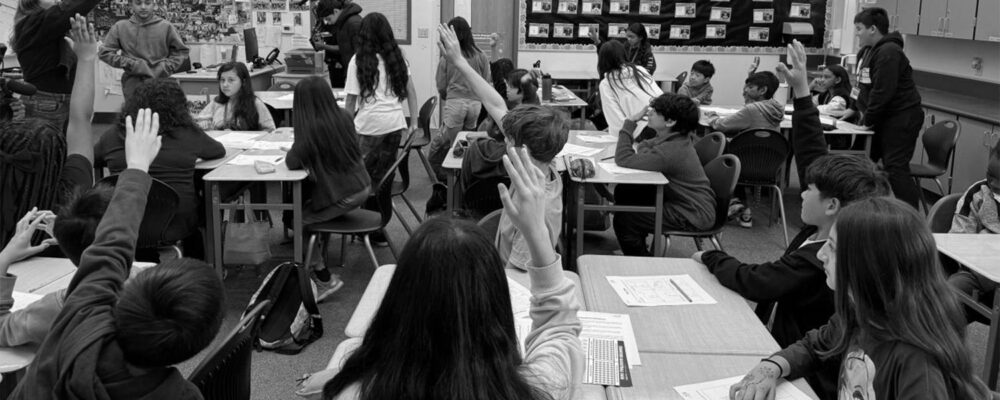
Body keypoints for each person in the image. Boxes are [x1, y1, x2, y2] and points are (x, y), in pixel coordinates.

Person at [322, 146, 582, 400]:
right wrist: (536, 230)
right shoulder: (541, 387)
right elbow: (559, 329)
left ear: (399, 300)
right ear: (495, 305)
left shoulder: (353, 391)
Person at [11, 108, 227, 400]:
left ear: (126, 293)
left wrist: (137, 165)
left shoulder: (83, 312)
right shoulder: (183, 395)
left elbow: (113, 241)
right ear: (198, 345)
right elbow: (111, 246)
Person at [728, 198, 991, 400]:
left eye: (831, 247)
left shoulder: (916, 360)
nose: (820, 255)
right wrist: (771, 368)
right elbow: (815, 345)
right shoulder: (864, 311)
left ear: (867, 266)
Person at [439, 24, 567, 271]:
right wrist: (459, 62)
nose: (505, 139)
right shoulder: (541, 165)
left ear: (523, 150)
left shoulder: (534, 213)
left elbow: (517, 279)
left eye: (509, 138)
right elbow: (494, 102)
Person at [95, 79, 226, 258]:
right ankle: (198, 265)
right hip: (176, 222)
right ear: (180, 106)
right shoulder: (188, 134)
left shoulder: (112, 135)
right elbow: (218, 151)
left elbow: (94, 159)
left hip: (126, 219)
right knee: (199, 202)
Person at [286, 76, 371, 302]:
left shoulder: (311, 129)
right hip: (361, 185)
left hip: (345, 194)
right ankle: (318, 259)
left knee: (300, 221)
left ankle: (324, 279)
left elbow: (291, 162)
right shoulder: (343, 116)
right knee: (307, 208)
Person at [611, 94, 715, 256]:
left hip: (691, 213)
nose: (649, 113)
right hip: (686, 203)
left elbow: (624, 158)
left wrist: (629, 124)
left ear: (670, 121)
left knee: (626, 218)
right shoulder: (676, 139)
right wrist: (645, 153)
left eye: (655, 111)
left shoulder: (670, 152)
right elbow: (645, 146)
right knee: (627, 191)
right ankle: (635, 245)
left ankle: (640, 261)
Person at [345, 13, 419, 242]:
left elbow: (350, 103)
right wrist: (414, 122)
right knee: (382, 178)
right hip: (394, 125)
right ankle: (377, 228)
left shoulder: (358, 61)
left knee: (359, 179)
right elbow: (411, 92)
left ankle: (364, 226)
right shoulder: (397, 57)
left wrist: (345, 132)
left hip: (367, 127)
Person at [852, 7, 924, 209]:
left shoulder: (889, 52)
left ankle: (910, 217)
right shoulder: (869, 51)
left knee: (894, 167)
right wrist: (854, 109)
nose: (856, 33)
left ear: (873, 29)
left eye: (859, 28)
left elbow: (882, 92)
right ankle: (859, 209)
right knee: (858, 159)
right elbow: (863, 86)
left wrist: (867, 121)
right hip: (883, 117)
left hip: (901, 118)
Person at [11, 0, 99, 125]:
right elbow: (72, 6)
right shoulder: (34, 23)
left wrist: (81, 102)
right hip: (46, 103)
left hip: (60, 102)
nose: (57, 0)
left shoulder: (51, 31)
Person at [430, 16, 491, 182]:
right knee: (466, 143)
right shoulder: (481, 55)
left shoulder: (448, 57)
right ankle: (466, 178)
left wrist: (448, 96)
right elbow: (486, 82)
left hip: (455, 103)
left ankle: (452, 184)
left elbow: (441, 85)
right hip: (475, 105)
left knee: (453, 147)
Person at [947, 141, 1000, 325]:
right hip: (977, 275)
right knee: (947, 297)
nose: (993, 183)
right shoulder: (977, 195)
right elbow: (958, 240)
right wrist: (983, 245)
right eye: (990, 175)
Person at [99, 0, 190, 99]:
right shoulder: (120, 27)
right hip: (133, 83)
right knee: (135, 112)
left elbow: (181, 51)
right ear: (131, 5)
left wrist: (166, 67)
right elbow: (104, 53)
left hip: (161, 80)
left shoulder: (166, 27)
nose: (143, 7)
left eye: (147, 3)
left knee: (161, 112)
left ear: (154, 5)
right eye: (138, 3)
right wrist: (130, 64)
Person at [597, 40, 661, 137]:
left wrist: (619, 136)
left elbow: (617, 122)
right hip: (666, 122)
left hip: (644, 130)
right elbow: (659, 95)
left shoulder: (606, 84)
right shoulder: (640, 70)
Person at [195, 62, 276, 131]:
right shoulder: (216, 102)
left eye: (231, 80)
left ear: (243, 82)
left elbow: (271, 131)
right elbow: (199, 121)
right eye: (222, 80)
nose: (225, 84)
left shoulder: (255, 104)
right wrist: (203, 123)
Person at [707, 71, 784, 135]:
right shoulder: (776, 107)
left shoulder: (752, 109)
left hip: (748, 151)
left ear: (763, 90)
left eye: (750, 87)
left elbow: (721, 125)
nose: (746, 90)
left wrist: (713, 116)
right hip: (771, 152)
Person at [311, 0, 362, 88]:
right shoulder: (343, 22)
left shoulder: (353, 23)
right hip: (349, 71)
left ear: (336, 11)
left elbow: (360, 54)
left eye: (328, 19)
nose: (329, 22)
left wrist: (353, 76)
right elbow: (345, 47)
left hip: (356, 73)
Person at [589, 22, 656, 75]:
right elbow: (610, 54)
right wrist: (597, 42)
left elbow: (649, 71)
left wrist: (634, 75)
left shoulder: (647, 51)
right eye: (627, 36)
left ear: (640, 38)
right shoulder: (625, 46)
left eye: (632, 37)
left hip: (638, 83)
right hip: (624, 81)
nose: (628, 39)